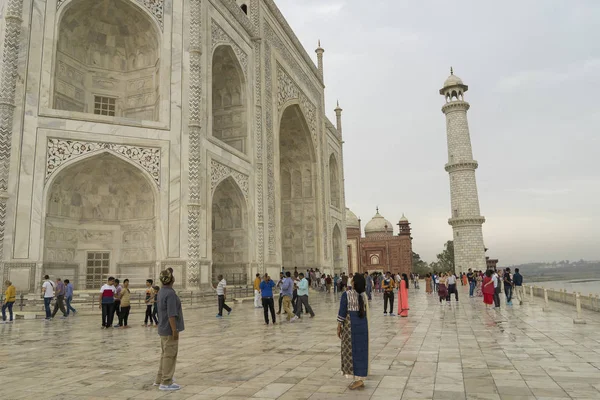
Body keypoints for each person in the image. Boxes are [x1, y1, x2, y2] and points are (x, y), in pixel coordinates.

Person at [337, 273, 369, 390]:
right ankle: (360, 378)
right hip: (362, 327)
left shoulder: (347, 294)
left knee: (350, 352)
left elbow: (342, 312)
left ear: (354, 283)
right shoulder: (364, 296)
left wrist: (339, 326)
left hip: (350, 327)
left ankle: (358, 379)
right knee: (361, 352)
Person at [154, 269, 184, 391]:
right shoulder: (170, 293)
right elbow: (172, 314)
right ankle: (166, 382)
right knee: (170, 355)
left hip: (162, 328)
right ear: (172, 279)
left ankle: (159, 378)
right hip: (169, 329)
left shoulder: (161, 291)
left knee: (164, 354)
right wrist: (175, 330)